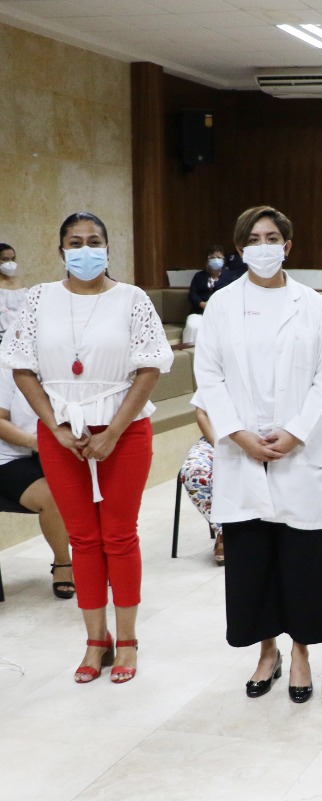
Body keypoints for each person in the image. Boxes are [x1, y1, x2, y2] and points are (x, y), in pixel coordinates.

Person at [1, 212, 173, 683]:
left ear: (108, 247)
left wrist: (114, 430)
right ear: (61, 251)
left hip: (124, 430)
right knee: (83, 538)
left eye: (94, 241)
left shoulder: (131, 299)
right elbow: (21, 366)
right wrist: (54, 427)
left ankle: (129, 639)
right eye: (74, 242)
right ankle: (96, 640)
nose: (84, 249)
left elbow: (150, 368)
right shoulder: (39, 299)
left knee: (119, 534)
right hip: (62, 434)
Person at [193, 205, 322, 704]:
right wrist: (237, 434)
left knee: (303, 558)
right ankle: (267, 650)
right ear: (240, 248)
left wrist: (297, 432)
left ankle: (301, 652)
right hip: (242, 452)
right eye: (253, 238)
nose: (263, 245)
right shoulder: (222, 304)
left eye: (272, 236)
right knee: (253, 556)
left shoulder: (310, 303)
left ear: (288, 245)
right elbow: (208, 375)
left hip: (300, 451)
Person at [0, 367, 72, 597]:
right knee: (54, 495)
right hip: (12, 458)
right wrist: (38, 443)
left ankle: (103, 560)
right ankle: (63, 563)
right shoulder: (6, 366)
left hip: (60, 452)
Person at [178, 397, 222, 564]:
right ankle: (224, 531)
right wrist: (217, 444)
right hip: (216, 438)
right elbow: (201, 412)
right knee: (194, 472)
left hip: (261, 436)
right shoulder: (216, 370)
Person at [183, 245, 231, 345]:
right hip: (200, 312)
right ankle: (189, 355)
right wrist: (203, 304)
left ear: (224, 260)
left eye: (219, 257)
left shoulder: (230, 277)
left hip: (222, 314)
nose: (216, 260)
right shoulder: (199, 276)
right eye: (213, 257)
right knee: (193, 326)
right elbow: (192, 295)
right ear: (208, 260)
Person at [0, 242, 30, 339]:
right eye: (5, 259)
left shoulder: (19, 281)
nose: (10, 262)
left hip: (21, 335)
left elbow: (26, 308)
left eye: (13, 259)